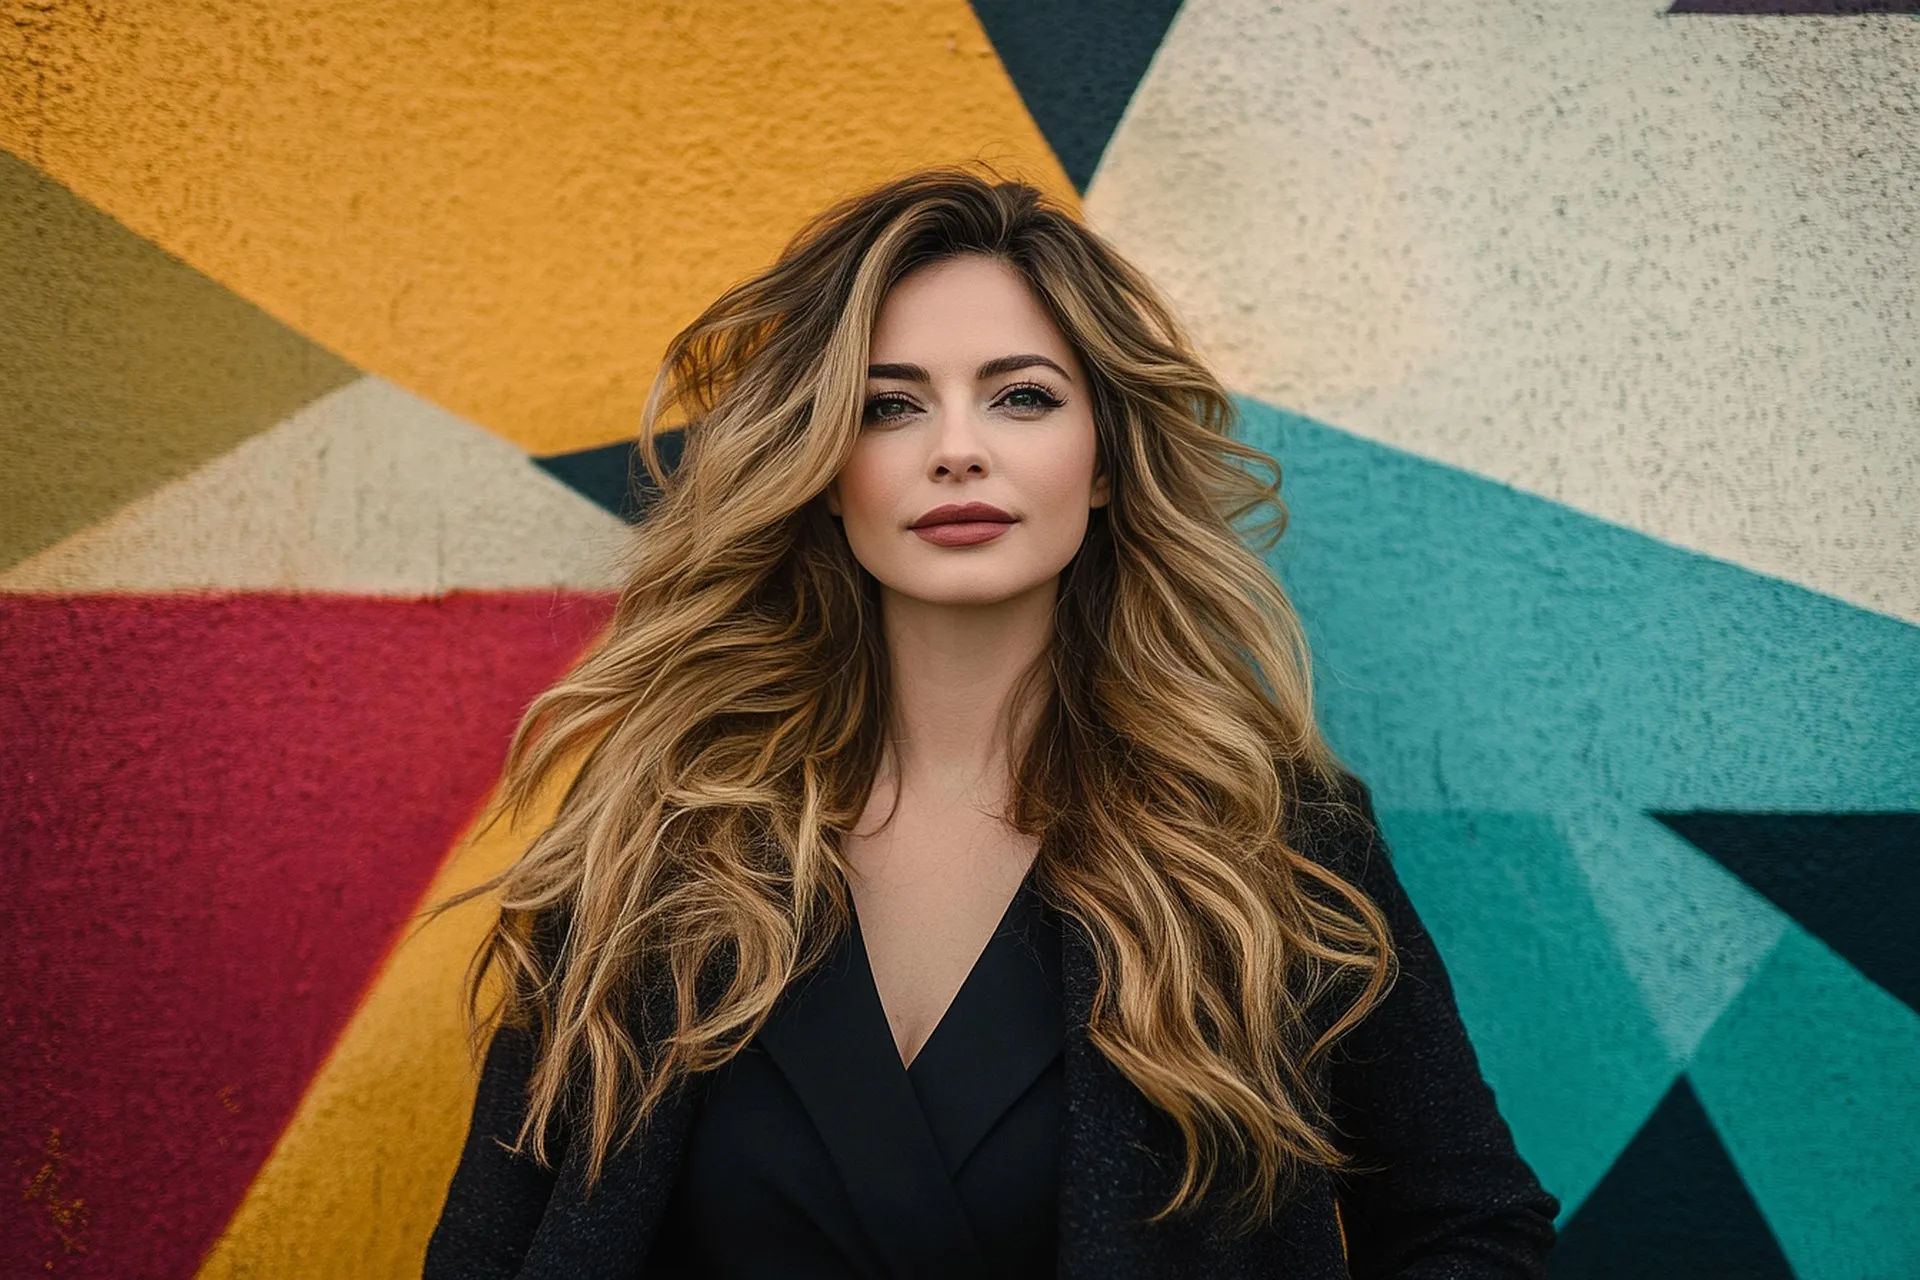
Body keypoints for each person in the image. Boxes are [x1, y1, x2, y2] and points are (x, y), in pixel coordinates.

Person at [419, 167, 1559, 1279]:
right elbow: (490, 1244)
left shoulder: (1266, 831)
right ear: (823, 466)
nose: (955, 447)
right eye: (889, 405)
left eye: (1021, 395)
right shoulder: (658, 828)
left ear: (1106, 457)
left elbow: (1472, 1229)